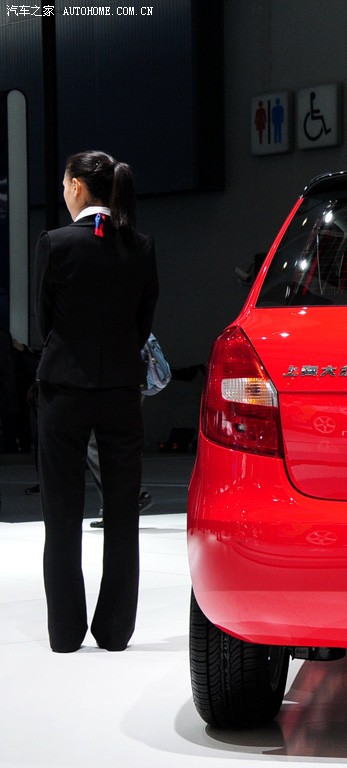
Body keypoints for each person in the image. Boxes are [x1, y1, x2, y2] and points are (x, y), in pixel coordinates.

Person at [35, 150, 158, 652]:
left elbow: (44, 321)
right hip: (121, 391)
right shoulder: (141, 246)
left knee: (61, 512)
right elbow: (143, 323)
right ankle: (114, 631)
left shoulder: (55, 243)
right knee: (123, 511)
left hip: (64, 387)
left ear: (78, 186)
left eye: (65, 184)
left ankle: (66, 633)